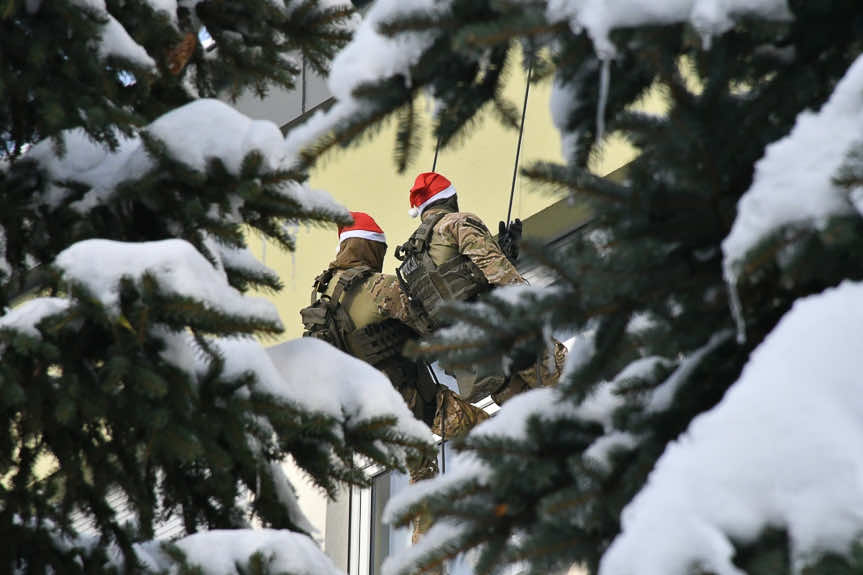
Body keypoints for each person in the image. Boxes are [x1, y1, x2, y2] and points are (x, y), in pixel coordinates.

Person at [300, 211, 488, 473]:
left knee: (421, 473)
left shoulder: (322, 295)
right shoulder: (378, 287)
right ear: (369, 247)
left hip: (368, 414)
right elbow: (429, 324)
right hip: (412, 401)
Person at [395, 172, 568, 405]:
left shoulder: (410, 259)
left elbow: (448, 290)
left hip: (480, 362)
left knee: (534, 417)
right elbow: (501, 276)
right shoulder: (456, 223)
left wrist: (504, 252)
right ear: (450, 198)